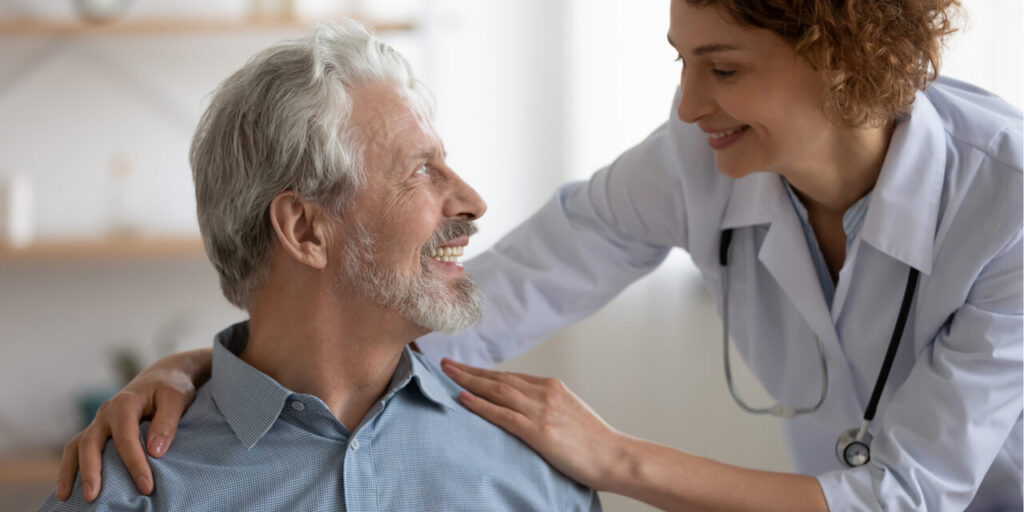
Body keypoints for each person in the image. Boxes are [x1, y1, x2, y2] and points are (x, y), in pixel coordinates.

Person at [57, 0, 1022, 510]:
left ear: (843, 57)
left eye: (723, 68)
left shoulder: (1006, 200)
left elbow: (903, 498)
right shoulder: (698, 159)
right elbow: (475, 302)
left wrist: (613, 458)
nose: (688, 106)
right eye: (681, 60)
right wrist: (218, 372)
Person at [40, 20, 600, 511]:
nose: (473, 201)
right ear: (305, 230)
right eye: (422, 171)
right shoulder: (122, 492)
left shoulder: (539, 472)